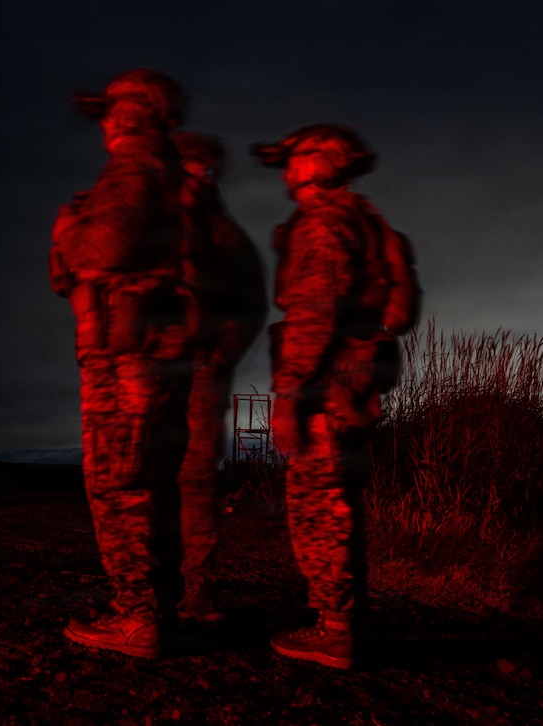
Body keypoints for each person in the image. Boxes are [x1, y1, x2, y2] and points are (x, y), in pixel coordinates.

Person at [251, 124, 417, 669]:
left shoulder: (323, 220)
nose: (287, 169)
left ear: (322, 162)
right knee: (338, 503)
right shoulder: (364, 217)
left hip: (325, 387)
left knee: (321, 507)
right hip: (352, 385)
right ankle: (341, 623)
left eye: (295, 158)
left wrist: (289, 394)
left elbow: (316, 310)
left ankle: (335, 629)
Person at [50, 68, 188, 658]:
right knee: (145, 481)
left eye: (111, 110)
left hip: (124, 358)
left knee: (118, 483)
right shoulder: (169, 174)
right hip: (147, 354)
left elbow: (100, 253)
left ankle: (137, 618)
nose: (104, 121)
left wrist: (72, 226)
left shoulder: (134, 169)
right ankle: (151, 608)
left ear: (134, 113)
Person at [158, 131, 268, 624]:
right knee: (143, 480)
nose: (199, 176)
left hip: (200, 375)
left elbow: (250, 305)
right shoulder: (146, 224)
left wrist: (219, 357)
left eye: (207, 168)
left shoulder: (223, 235)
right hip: (148, 372)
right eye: (190, 166)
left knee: (197, 482)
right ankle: (146, 595)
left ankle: (197, 593)